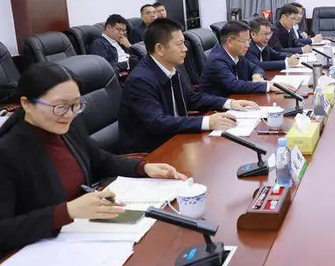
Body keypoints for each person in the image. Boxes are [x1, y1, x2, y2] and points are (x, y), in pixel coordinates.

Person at [0, 63, 186, 253]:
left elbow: (100, 159)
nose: (70, 114)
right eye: (60, 106)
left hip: (85, 232)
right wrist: (67, 211)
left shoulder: (66, 126)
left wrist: (143, 168)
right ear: (27, 104)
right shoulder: (8, 152)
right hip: (42, 251)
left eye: (76, 105)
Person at [119, 18, 258, 153]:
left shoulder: (171, 69)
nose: (185, 49)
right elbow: (157, 122)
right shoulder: (141, 80)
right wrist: (207, 122)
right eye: (179, 44)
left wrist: (230, 103)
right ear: (160, 49)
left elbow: (192, 98)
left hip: (178, 139)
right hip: (153, 152)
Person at [199, 21, 282, 95]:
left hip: (237, 99)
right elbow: (234, 85)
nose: (248, 45)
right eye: (244, 41)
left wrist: (256, 75)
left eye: (248, 41)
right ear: (230, 42)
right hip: (218, 105)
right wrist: (267, 86)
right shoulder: (217, 60)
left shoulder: (237, 54)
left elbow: (255, 67)